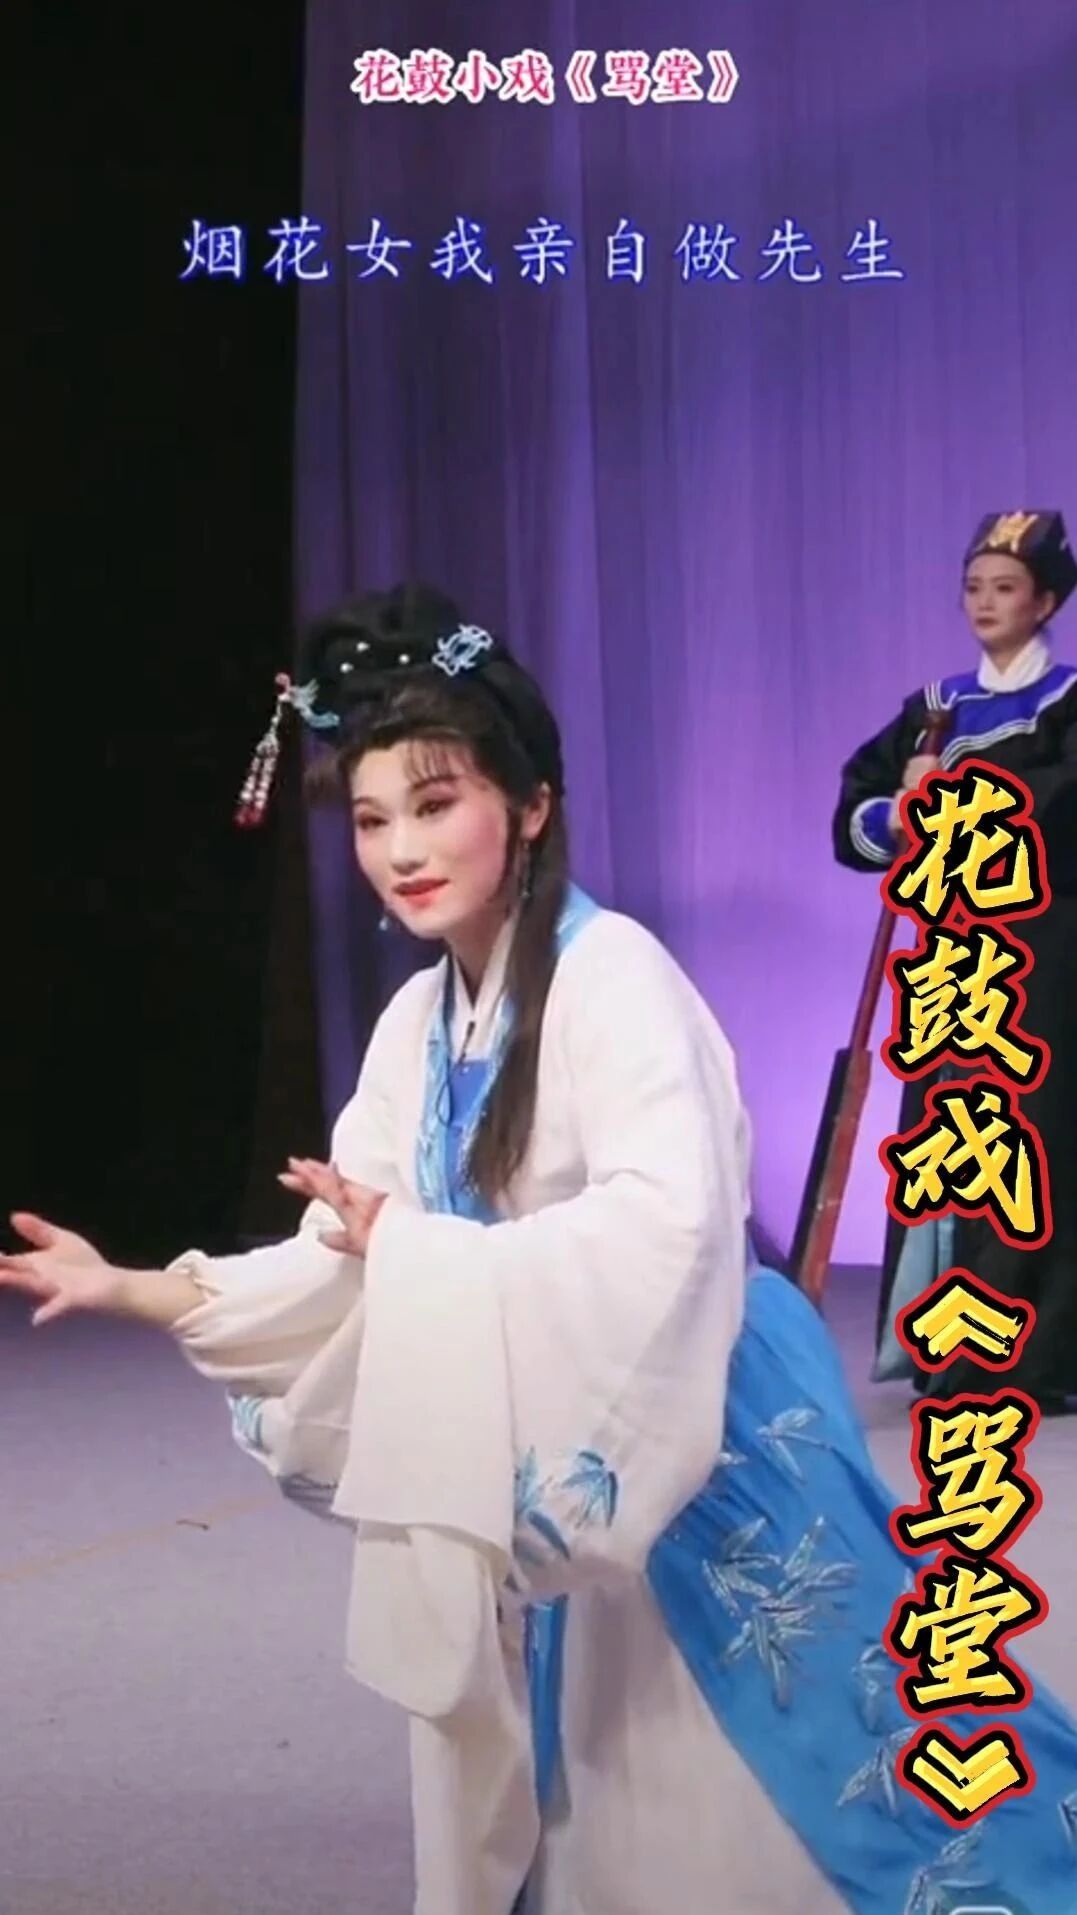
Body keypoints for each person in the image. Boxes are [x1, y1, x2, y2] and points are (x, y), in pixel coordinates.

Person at [4, 584, 1075, 1915]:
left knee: (822, 1781)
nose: (402, 849)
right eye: (372, 818)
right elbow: (346, 1250)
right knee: (587, 1807)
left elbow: (665, 1225)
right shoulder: (416, 1022)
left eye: (435, 802)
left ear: (529, 804)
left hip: (701, 1433)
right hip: (552, 1441)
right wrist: (138, 1286)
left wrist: (419, 1251)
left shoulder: (616, 975)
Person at [833, 510, 1077, 1413]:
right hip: (953, 959)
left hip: (1044, 959)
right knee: (952, 1143)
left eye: (1004, 587)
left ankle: (1039, 1354)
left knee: (1036, 1142)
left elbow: (1060, 806)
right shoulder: (935, 708)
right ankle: (954, 1346)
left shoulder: (1067, 703)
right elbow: (858, 807)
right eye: (973, 586)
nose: (984, 602)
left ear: (1044, 602)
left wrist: (950, 806)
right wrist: (896, 816)